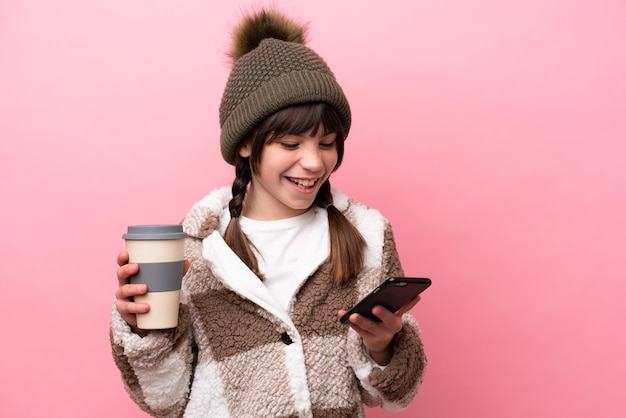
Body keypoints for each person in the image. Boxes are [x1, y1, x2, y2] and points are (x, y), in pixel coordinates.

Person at [111, 8, 427, 418]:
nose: (314, 163)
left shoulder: (366, 235)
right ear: (245, 143)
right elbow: (162, 399)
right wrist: (142, 328)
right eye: (291, 144)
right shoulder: (194, 251)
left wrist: (384, 344)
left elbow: (393, 396)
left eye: (327, 142)